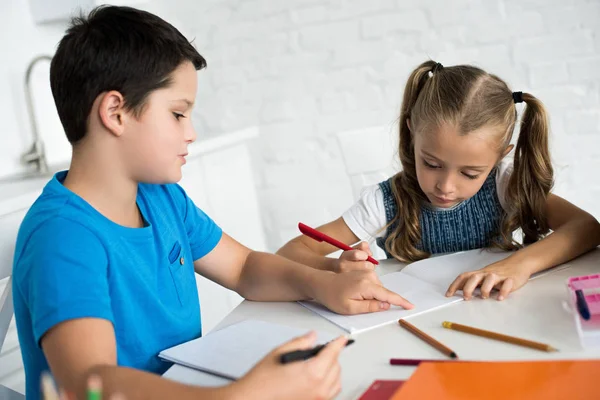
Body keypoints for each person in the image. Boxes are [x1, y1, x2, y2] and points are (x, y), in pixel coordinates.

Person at [12, 6, 413, 400]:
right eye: (177, 114)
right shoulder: (63, 237)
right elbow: (87, 384)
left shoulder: (160, 198)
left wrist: (325, 283)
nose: (191, 133)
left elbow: (242, 267)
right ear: (116, 113)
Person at [278, 60, 600, 302]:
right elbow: (293, 250)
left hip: (494, 312)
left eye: (470, 173)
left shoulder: (504, 184)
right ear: (411, 134)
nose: (445, 186)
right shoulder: (385, 201)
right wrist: (338, 268)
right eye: (431, 164)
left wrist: (519, 265)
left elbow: (586, 226)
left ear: (501, 155)